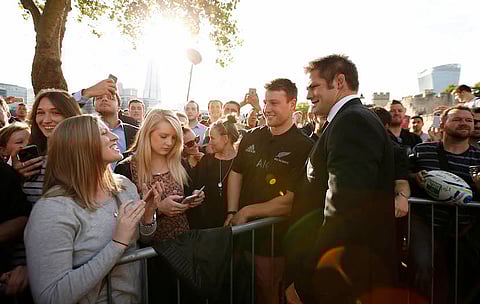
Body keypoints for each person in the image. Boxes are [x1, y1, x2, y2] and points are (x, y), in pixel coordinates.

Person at [288, 54, 397, 304]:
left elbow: (343, 208)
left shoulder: (352, 121)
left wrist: (306, 282)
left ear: (339, 81)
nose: (308, 96)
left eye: (314, 86)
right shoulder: (348, 119)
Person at [24, 115, 152, 303]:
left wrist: (148, 218)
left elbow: (138, 241)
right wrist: (116, 244)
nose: (115, 137)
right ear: (81, 147)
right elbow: (50, 296)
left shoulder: (124, 187)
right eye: (103, 133)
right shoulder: (52, 210)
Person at [225, 78, 313, 304]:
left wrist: (248, 211)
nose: (266, 109)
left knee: (269, 290)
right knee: (238, 285)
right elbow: (236, 172)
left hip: (273, 237)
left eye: (274, 103)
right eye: (265, 102)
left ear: (292, 104)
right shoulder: (251, 136)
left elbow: (291, 200)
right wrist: (232, 211)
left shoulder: (305, 147)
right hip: (241, 230)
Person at [114, 108, 204, 303]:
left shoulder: (180, 164)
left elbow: (188, 192)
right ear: (147, 133)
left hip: (183, 250)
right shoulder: (126, 168)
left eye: (173, 138)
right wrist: (158, 209)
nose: (169, 143)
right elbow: (121, 215)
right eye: (163, 136)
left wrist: (194, 198)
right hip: (149, 256)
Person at [408, 105, 480, 303]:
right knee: (424, 270)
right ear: (443, 124)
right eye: (457, 119)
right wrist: (415, 177)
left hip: (464, 231)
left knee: (463, 279)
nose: (464, 123)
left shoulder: (478, 158)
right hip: (426, 225)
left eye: (469, 120)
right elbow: (404, 175)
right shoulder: (423, 151)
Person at [13, 89, 82, 204]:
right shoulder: (32, 158)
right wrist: (15, 176)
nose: (46, 120)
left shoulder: (85, 156)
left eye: (55, 112)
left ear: (71, 115)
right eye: (40, 113)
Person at [188, 114, 239, 229]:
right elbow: (197, 185)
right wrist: (196, 193)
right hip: (207, 222)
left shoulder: (240, 162)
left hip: (232, 222)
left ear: (226, 138)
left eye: (213, 138)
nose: (209, 142)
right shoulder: (207, 160)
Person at [94, 92, 138, 157]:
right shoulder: (87, 132)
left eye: (110, 98)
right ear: (94, 106)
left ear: (119, 107)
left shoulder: (136, 133)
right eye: (99, 98)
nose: (104, 99)